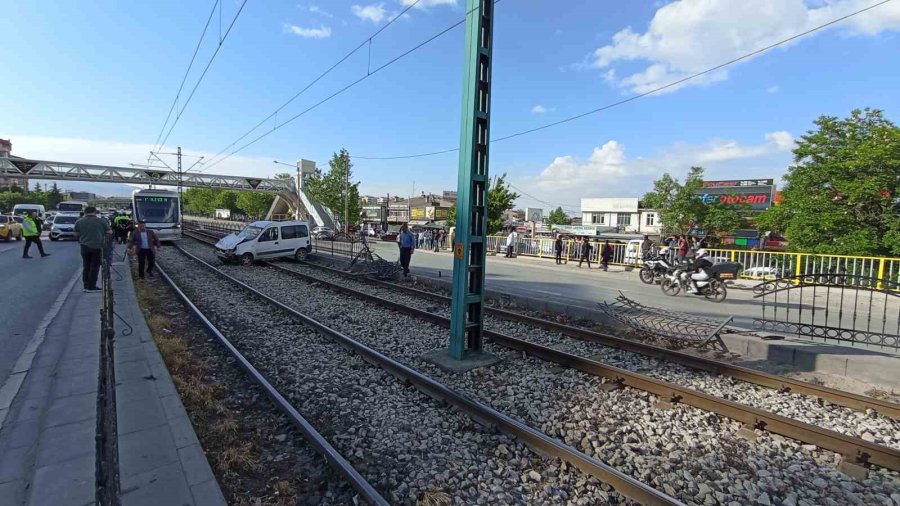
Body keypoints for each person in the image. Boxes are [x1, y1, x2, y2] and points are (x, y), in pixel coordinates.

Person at [74, 206, 111, 292]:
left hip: (84, 246)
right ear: (95, 212)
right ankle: (92, 286)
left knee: (86, 265)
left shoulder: (79, 221)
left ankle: (85, 285)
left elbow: (75, 234)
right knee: (95, 266)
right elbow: (109, 232)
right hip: (97, 246)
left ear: (85, 212)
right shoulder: (101, 221)